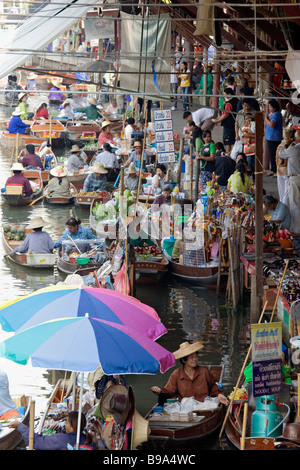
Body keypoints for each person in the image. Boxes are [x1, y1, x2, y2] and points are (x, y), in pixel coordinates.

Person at [151, 341, 229, 405]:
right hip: (185, 408)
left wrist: (219, 395)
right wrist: (160, 391)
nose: (195, 359)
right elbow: (170, 391)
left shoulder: (204, 371)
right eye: (192, 358)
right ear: (184, 360)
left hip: (205, 406)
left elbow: (213, 386)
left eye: (196, 356)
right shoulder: (176, 374)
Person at [8, 411, 99, 450]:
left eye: (67, 422)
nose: (65, 424)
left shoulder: (62, 439)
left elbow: (37, 441)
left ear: (73, 426)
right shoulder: (91, 443)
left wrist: (20, 426)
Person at [278, 129, 300, 234]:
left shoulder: (292, 149)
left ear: (295, 139)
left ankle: (297, 229)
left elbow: (280, 154)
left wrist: (286, 145)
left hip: (295, 178)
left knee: (295, 204)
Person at [213, 87, 239, 153]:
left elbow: (225, 115)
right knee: (232, 141)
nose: (224, 96)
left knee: (228, 143)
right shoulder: (236, 100)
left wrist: (217, 120)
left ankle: (229, 156)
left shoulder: (229, 104)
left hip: (228, 125)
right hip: (234, 123)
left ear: (229, 94)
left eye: (225, 94)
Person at [276, 128, 294, 207]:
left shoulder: (279, 146)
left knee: (282, 193)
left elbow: (276, 159)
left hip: (279, 171)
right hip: (288, 172)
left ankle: (281, 209)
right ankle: (284, 210)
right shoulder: (292, 146)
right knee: (287, 195)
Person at [265, 98, 283, 176]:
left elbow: (272, 124)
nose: (269, 108)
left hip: (274, 137)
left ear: (274, 107)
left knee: (274, 154)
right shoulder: (273, 114)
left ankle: (275, 170)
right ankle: (273, 169)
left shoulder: (276, 114)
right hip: (271, 137)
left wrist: (265, 119)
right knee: (272, 154)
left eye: (270, 107)